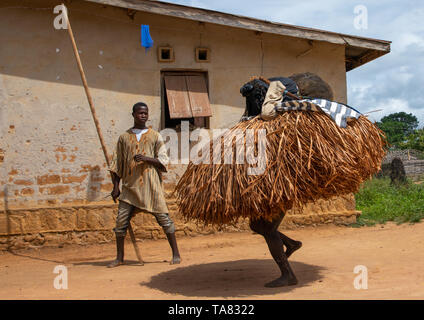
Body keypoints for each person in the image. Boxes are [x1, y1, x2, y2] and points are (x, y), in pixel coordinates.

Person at [107, 102, 181, 268]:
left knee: (165, 220)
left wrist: (147, 158)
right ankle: (119, 257)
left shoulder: (155, 136)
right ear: (133, 114)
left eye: (145, 113)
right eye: (140, 113)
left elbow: (163, 161)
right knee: (120, 223)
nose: (143, 116)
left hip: (151, 187)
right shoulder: (124, 138)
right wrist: (115, 187)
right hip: (130, 188)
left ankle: (176, 253)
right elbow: (116, 165)